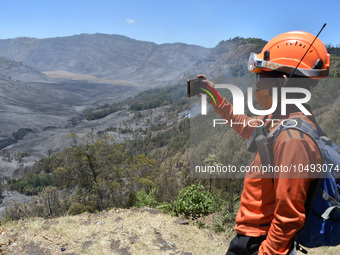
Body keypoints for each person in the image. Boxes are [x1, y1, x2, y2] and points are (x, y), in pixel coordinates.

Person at [198, 31, 330, 255]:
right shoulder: (278, 119)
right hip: (251, 237)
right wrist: (213, 95)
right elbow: (245, 125)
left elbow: (288, 218)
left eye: (261, 76)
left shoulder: (294, 140)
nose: (257, 83)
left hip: (260, 242)